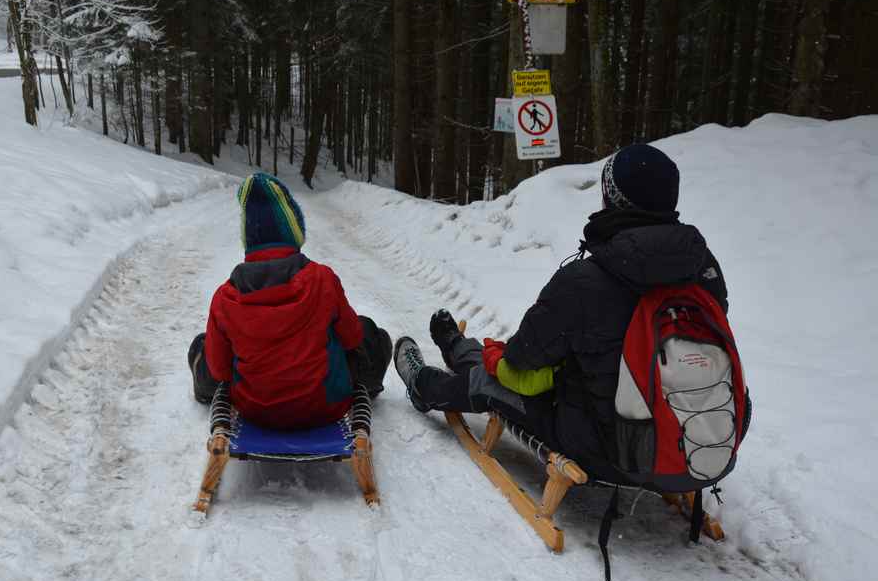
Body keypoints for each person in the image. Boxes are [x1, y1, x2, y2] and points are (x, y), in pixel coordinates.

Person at [393, 144, 736, 482]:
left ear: (613, 198)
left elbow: (521, 358)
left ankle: (424, 385)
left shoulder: (588, 279)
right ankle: (456, 345)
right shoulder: (703, 268)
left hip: (609, 451)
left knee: (492, 378)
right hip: (704, 449)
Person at [188, 172, 391, 430]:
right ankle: (367, 379)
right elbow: (351, 339)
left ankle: (201, 380)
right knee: (369, 332)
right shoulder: (322, 279)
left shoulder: (225, 298)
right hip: (323, 407)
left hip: (254, 410)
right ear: (294, 233)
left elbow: (220, 370)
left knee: (205, 346)